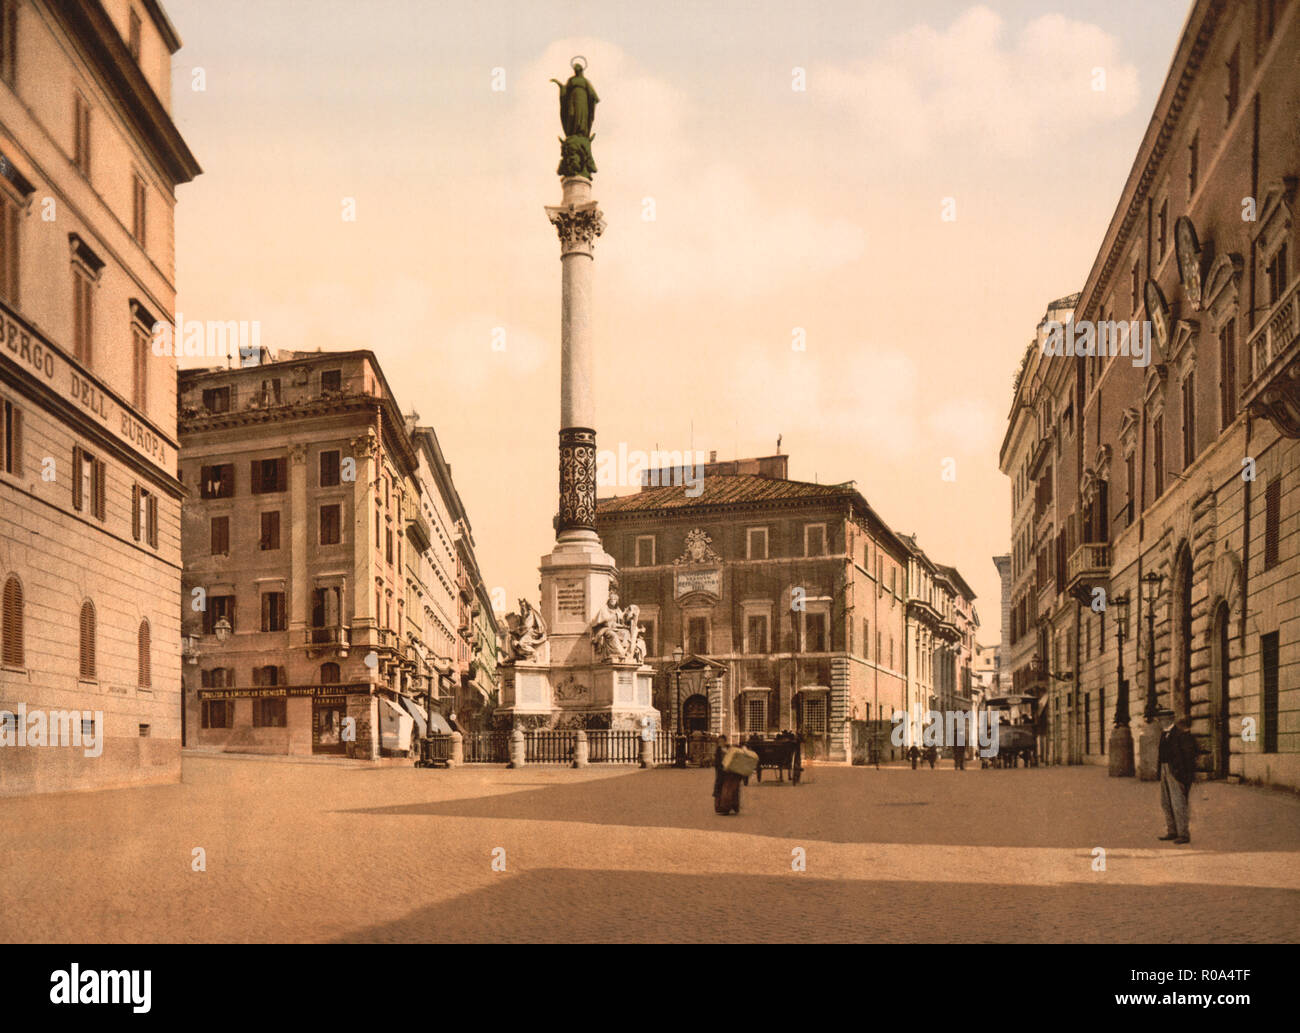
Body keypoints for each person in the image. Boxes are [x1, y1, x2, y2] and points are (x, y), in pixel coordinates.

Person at [1157, 710, 1197, 844]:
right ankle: (1172, 831)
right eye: (1160, 720)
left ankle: (1183, 834)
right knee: (1166, 802)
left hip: (1175, 772)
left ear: (1169, 720)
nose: (1160, 722)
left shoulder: (1181, 734)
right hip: (1164, 770)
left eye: (1162, 720)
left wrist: (1181, 774)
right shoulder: (1164, 734)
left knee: (1178, 803)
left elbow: (1188, 757)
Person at [713, 735, 742, 815]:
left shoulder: (729, 749)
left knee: (731, 789)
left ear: (725, 742)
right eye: (719, 742)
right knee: (721, 789)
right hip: (721, 772)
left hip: (730, 772)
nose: (720, 743)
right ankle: (721, 807)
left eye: (722, 741)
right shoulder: (718, 751)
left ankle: (732, 806)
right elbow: (717, 762)